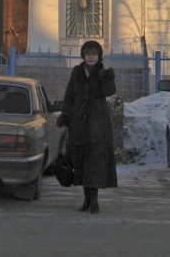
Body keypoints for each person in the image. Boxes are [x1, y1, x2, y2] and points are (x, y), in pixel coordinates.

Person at [57, 40, 117, 214]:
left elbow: (109, 91)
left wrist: (107, 74)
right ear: (83, 56)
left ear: (99, 57)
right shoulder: (77, 72)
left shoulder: (102, 72)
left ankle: (94, 201)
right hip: (78, 122)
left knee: (94, 162)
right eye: (88, 54)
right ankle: (86, 199)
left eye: (94, 54)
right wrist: (65, 117)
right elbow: (69, 96)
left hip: (97, 123)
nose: (91, 57)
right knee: (81, 161)